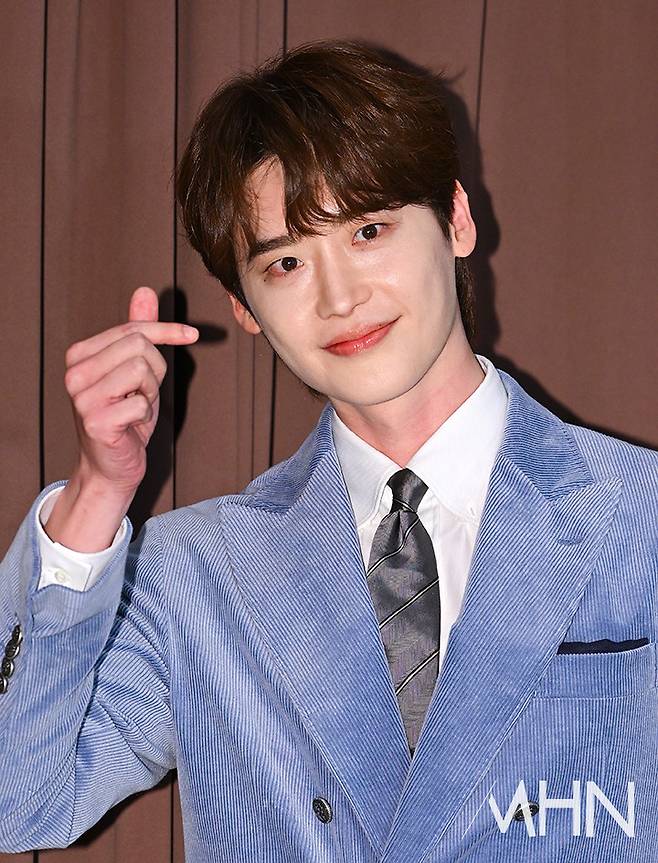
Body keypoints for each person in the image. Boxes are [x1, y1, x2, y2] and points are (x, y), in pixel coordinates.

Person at [0, 38, 656, 862]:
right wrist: (97, 492)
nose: (340, 297)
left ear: (455, 220)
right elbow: (19, 799)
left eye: (368, 230)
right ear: (245, 307)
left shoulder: (640, 517)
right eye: (286, 262)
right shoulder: (198, 574)